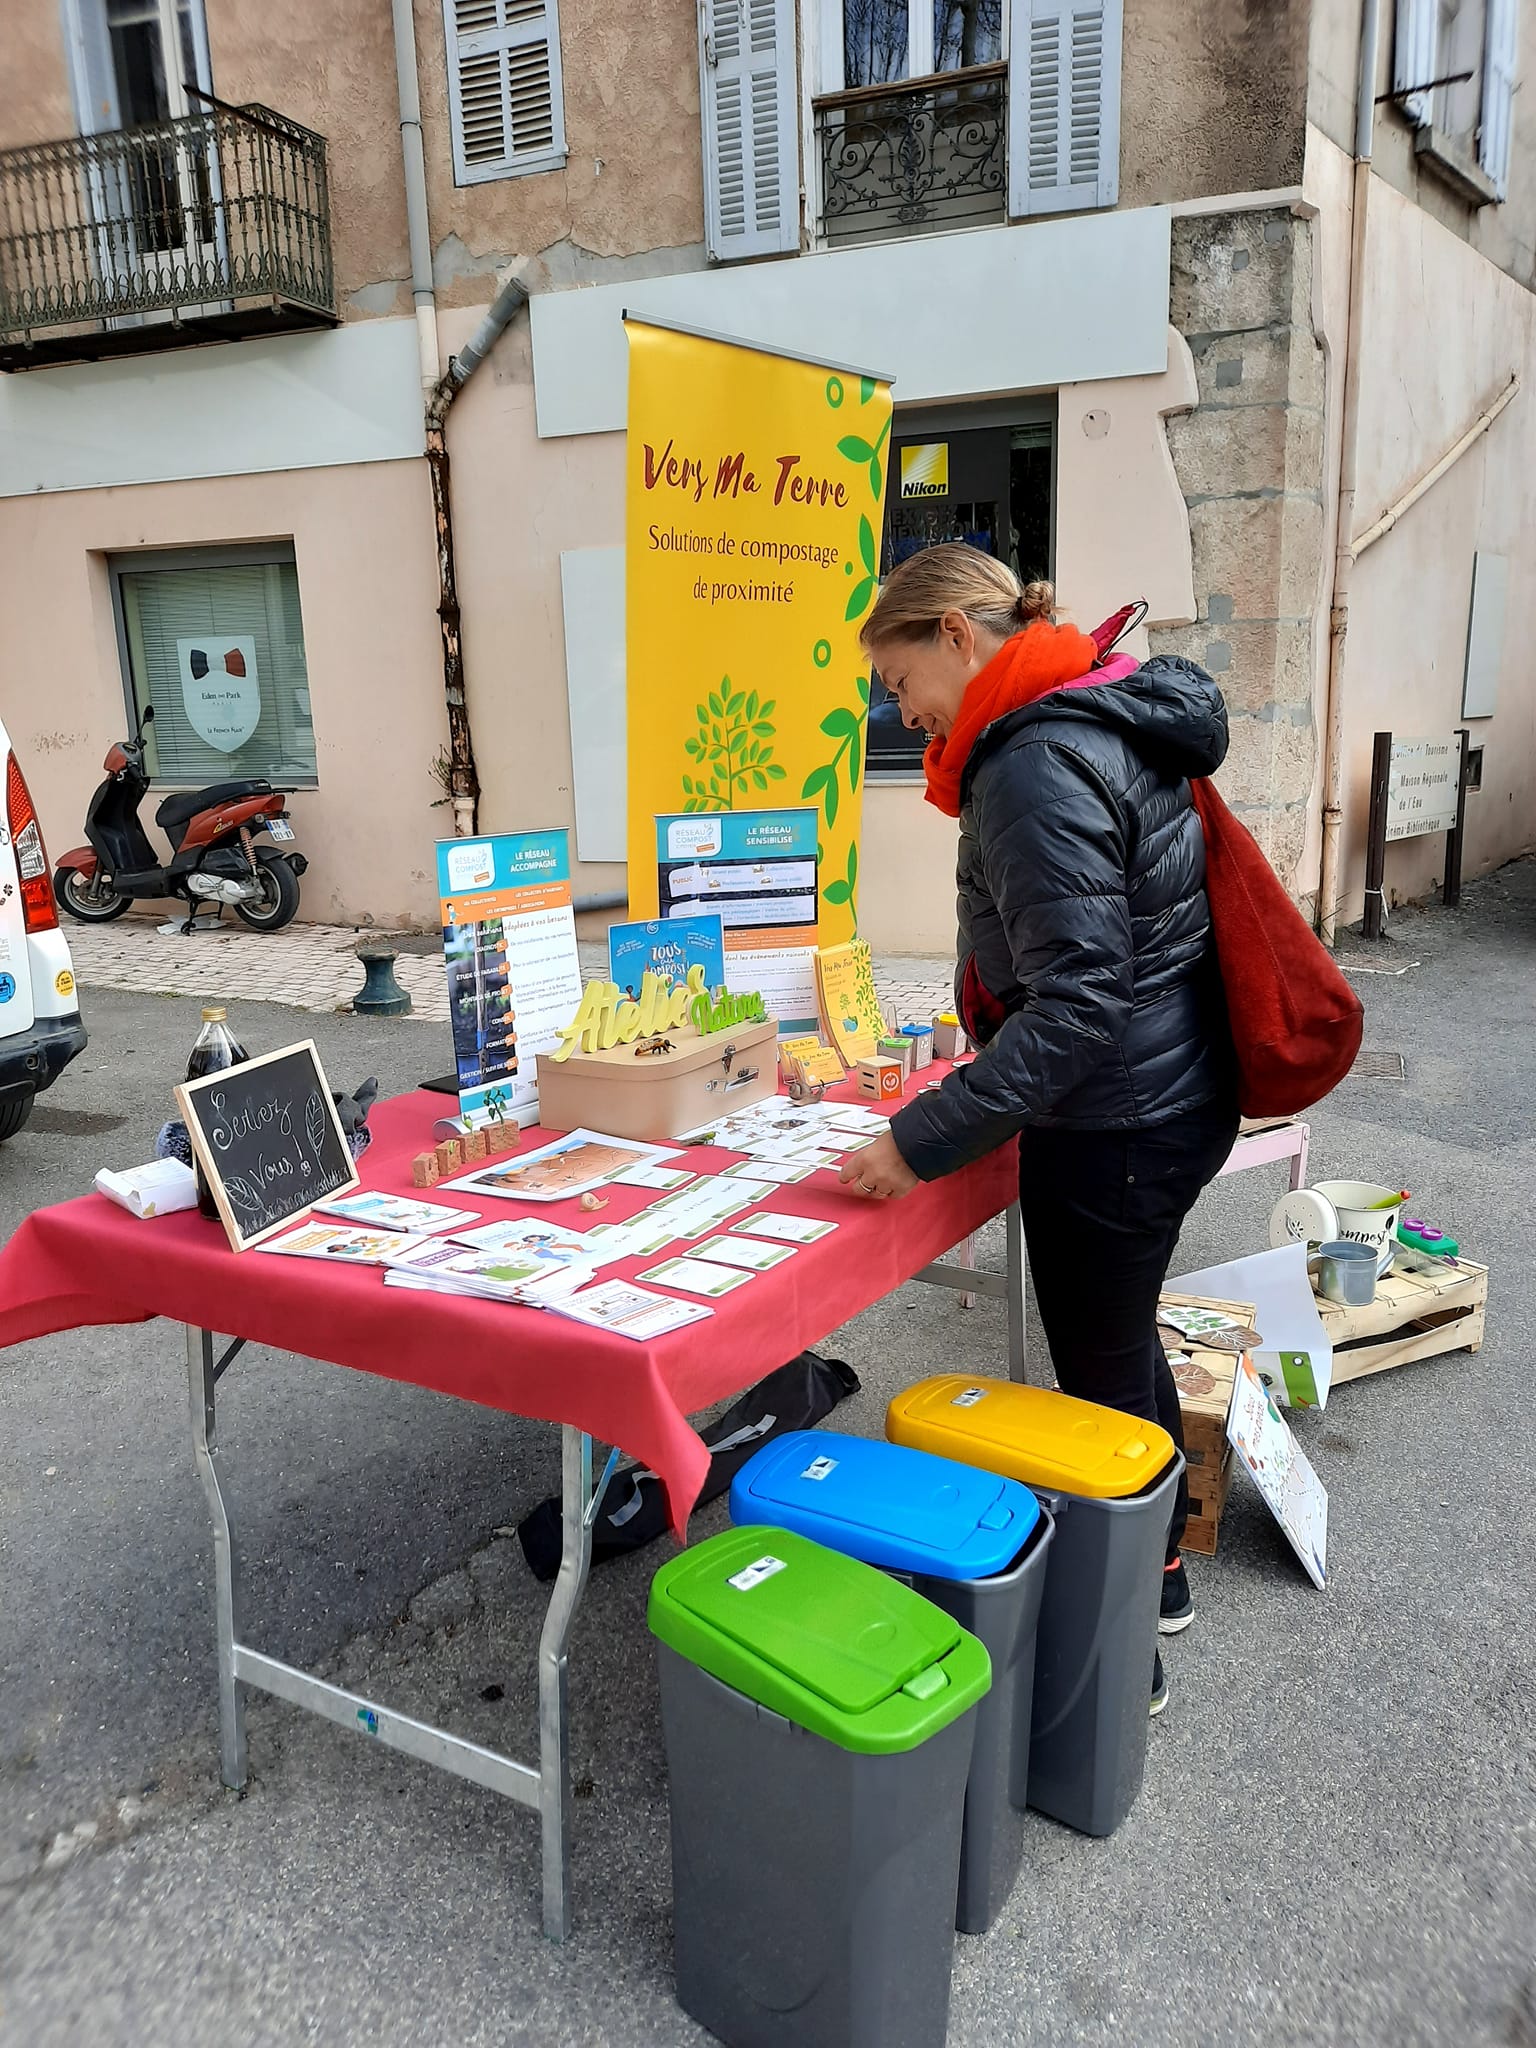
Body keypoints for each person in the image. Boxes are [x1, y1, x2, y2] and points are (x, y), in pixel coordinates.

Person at [838, 545, 1238, 1717]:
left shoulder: (1031, 760)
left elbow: (1076, 1006)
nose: (899, 709)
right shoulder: (1095, 708)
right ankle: (1157, 1579)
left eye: (901, 676)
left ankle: (1126, 1639)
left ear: (959, 638)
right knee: (1121, 1341)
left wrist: (918, 1139)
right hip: (1169, 1090)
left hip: (1116, 1113)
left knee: (1103, 1364)